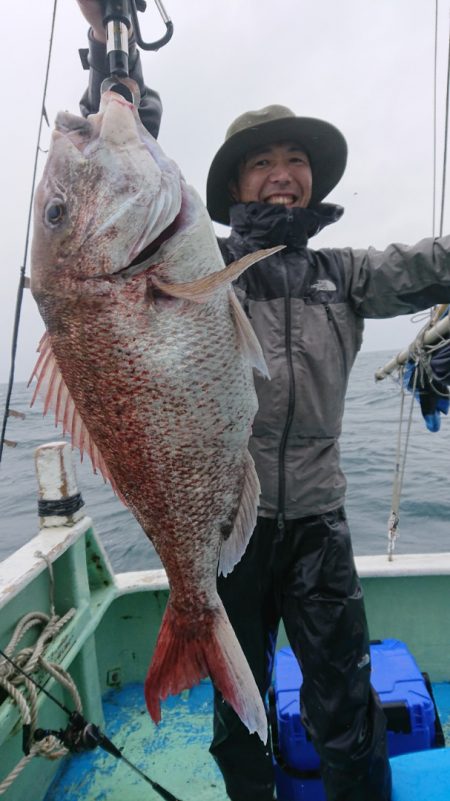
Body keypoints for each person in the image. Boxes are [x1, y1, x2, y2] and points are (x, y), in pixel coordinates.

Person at [76, 4, 450, 800]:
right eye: (262, 163)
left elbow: (431, 263)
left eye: (295, 158)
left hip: (318, 521)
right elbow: (116, 182)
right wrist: (110, 58)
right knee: (234, 715)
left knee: (345, 703)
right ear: (235, 183)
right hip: (225, 530)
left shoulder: (345, 274)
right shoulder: (200, 260)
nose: (282, 171)